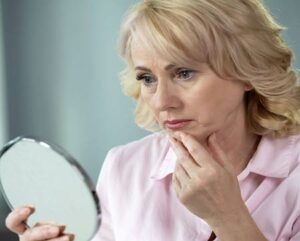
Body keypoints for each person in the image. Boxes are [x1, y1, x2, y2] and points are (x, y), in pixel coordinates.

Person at [5, 0, 300, 240]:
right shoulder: (124, 167)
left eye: (184, 73)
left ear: (247, 72)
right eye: (147, 78)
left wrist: (228, 217)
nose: (161, 101)